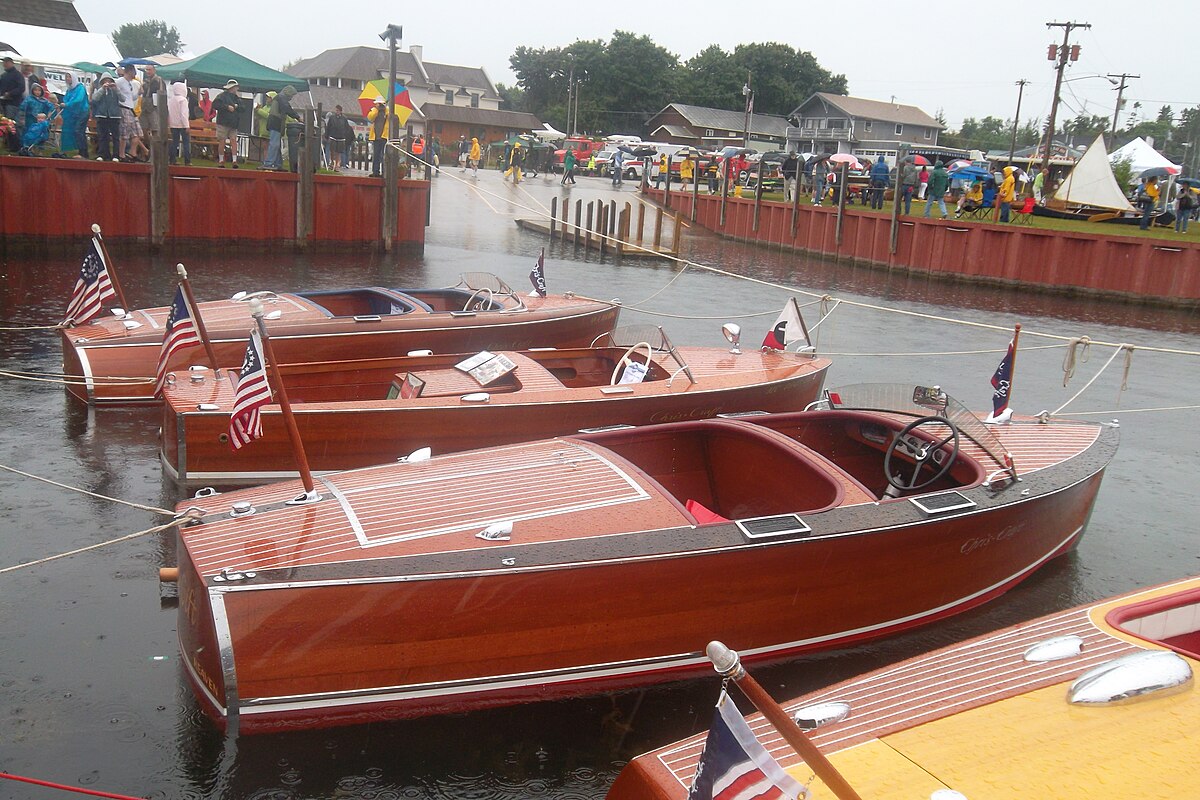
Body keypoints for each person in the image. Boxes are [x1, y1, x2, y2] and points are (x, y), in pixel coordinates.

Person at [115, 65, 147, 162]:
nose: (135, 74)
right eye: (134, 71)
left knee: (137, 133)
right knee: (124, 133)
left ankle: (132, 153)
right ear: (129, 71)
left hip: (131, 108)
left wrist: (139, 93)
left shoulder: (130, 83)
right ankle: (121, 154)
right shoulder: (120, 81)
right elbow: (116, 92)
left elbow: (131, 97)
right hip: (123, 108)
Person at [264, 85, 299, 170]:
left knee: (277, 144)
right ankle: (268, 163)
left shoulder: (279, 97)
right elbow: (287, 108)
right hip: (276, 123)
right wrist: (298, 117)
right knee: (274, 144)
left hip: (274, 122)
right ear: (288, 93)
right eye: (292, 95)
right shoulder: (281, 98)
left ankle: (278, 163)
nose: (291, 97)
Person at [90, 73, 121, 161]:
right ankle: (103, 154)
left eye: (109, 81)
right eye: (105, 81)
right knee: (103, 136)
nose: (107, 83)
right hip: (102, 115)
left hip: (114, 116)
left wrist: (116, 89)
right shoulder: (100, 90)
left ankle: (116, 155)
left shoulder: (115, 90)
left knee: (115, 137)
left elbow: (123, 99)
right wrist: (102, 89)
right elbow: (94, 98)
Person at [59, 72, 90, 158]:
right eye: (66, 77)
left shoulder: (80, 88)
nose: (67, 78)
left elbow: (78, 99)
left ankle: (83, 152)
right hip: (75, 113)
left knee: (78, 130)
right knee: (77, 131)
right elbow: (66, 99)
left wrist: (67, 104)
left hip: (82, 112)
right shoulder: (69, 89)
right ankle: (82, 152)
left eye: (69, 77)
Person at [212, 79, 241, 168]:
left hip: (233, 123)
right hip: (223, 123)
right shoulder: (221, 96)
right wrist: (227, 107)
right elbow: (215, 105)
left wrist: (237, 106)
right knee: (222, 141)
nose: (236, 89)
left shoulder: (237, 98)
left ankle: (234, 161)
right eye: (235, 87)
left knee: (233, 141)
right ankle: (221, 160)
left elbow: (243, 108)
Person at [0, 56, 24, 147]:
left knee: (12, 124)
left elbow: (21, 88)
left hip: (14, 103)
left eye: (6, 62)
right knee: (5, 125)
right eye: (4, 62)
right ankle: (9, 144)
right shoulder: (4, 75)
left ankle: (16, 145)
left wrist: (10, 93)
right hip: (4, 103)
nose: (5, 64)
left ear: (11, 63)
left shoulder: (17, 75)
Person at [167, 79, 191, 165]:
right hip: (182, 125)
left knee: (174, 142)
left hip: (173, 124)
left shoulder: (171, 99)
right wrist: (186, 125)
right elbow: (183, 114)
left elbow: (169, 112)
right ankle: (187, 161)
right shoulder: (183, 100)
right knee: (186, 143)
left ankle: (172, 159)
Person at [138, 64, 163, 143]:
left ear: (154, 70)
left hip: (154, 107)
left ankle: (155, 148)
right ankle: (148, 146)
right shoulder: (145, 81)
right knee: (143, 128)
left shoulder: (158, 80)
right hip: (144, 106)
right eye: (146, 70)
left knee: (155, 128)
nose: (148, 71)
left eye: (149, 70)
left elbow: (162, 93)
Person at [325, 105, 351, 170]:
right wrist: (327, 135)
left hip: (341, 137)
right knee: (332, 151)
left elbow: (347, 127)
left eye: (338, 110)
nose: (337, 112)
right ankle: (331, 162)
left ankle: (337, 164)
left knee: (338, 152)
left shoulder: (344, 118)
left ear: (340, 111)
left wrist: (344, 134)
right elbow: (328, 127)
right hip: (333, 136)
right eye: (336, 110)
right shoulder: (332, 117)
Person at [367, 98, 388, 177]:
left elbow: (389, 117)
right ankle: (375, 171)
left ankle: (384, 172)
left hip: (384, 137)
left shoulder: (387, 111)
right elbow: (370, 118)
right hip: (376, 137)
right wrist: (376, 110)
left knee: (383, 156)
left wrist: (385, 109)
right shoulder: (374, 110)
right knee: (376, 155)